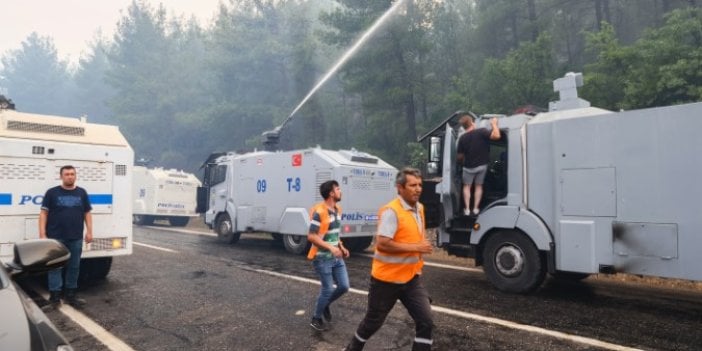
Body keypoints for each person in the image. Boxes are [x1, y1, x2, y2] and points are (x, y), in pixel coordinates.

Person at [345, 167, 434, 351]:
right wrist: (417, 247)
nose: (418, 189)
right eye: (412, 185)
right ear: (400, 188)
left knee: (426, 321)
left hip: (411, 279)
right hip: (385, 281)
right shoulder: (392, 212)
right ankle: (352, 348)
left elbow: (414, 237)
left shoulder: (420, 208)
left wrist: (417, 262)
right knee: (373, 322)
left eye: (420, 185)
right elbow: (383, 243)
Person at [39, 165, 93, 308]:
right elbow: (43, 213)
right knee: (55, 267)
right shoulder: (52, 193)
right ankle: (55, 298)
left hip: (75, 237)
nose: (70, 176)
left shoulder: (82, 193)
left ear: (75, 176)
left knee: (74, 267)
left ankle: (71, 296)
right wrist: (43, 234)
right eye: (67, 174)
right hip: (55, 238)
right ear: (61, 176)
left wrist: (89, 231)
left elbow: (87, 213)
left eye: (72, 174)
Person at [307, 180, 350, 331]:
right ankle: (316, 318)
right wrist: (331, 249)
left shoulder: (338, 210)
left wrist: (341, 247)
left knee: (344, 286)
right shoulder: (320, 212)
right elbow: (312, 236)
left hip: (336, 257)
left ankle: (325, 304)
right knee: (328, 289)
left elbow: (334, 234)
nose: (341, 191)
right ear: (331, 193)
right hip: (322, 258)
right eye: (338, 189)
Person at [456, 117, 501, 216]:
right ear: (472, 123)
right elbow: (497, 136)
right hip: (482, 166)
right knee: (478, 186)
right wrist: (494, 124)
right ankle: (476, 208)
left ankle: (467, 209)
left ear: (464, 127)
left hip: (468, 168)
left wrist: (463, 162)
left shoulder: (462, 138)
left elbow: (459, 157)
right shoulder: (481, 132)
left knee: (467, 187)